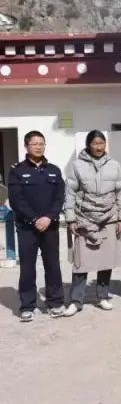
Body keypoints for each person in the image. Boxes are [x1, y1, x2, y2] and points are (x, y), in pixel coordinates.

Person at [64, 130, 121, 316]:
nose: (99, 147)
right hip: (84, 218)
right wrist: (70, 218)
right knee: (80, 262)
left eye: (102, 143)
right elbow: (70, 193)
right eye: (95, 143)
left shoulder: (114, 165)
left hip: (109, 217)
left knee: (106, 260)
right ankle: (76, 300)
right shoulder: (77, 165)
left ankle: (102, 296)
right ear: (88, 145)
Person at [8, 131, 65, 322]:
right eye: (35, 144)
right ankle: (27, 306)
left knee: (53, 265)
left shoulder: (54, 170)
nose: (39, 147)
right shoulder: (17, 171)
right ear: (26, 146)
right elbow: (17, 200)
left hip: (50, 226)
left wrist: (49, 217)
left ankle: (55, 302)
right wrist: (34, 219)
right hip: (27, 228)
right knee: (27, 268)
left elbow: (59, 197)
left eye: (42, 143)